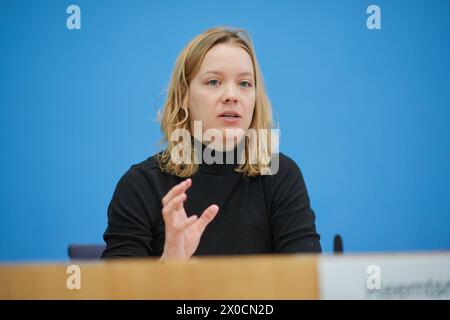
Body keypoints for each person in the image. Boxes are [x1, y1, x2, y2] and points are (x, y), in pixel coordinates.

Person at [101, 26, 321, 260]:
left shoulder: (280, 175)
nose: (231, 95)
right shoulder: (140, 185)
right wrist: (168, 267)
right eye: (214, 82)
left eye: (244, 83)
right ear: (184, 96)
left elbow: (308, 282)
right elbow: (116, 291)